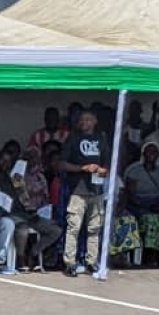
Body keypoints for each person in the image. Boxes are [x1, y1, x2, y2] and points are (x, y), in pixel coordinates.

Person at [58, 110, 110, 277]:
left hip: (96, 189)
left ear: (95, 121)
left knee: (94, 228)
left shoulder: (101, 140)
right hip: (78, 189)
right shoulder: (73, 139)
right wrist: (82, 168)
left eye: (88, 119)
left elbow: (108, 165)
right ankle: (70, 262)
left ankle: (91, 262)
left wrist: (101, 170)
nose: (84, 122)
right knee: (74, 227)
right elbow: (62, 164)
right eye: (82, 120)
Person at [0, 151, 61, 272]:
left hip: (26, 214)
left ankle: (33, 252)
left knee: (55, 230)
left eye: (8, 161)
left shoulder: (17, 177)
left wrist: (31, 210)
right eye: (2, 160)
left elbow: (24, 199)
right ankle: (21, 258)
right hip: (8, 215)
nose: (5, 163)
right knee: (23, 229)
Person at [123, 142, 159, 267]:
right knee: (150, 219)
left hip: (158, 202)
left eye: (154, 151)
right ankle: (148, 256)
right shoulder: (135, 170)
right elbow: (130, 194)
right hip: (139, 204)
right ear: (143, 154)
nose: (152, 154)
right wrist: (146, 206)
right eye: (149, 151)